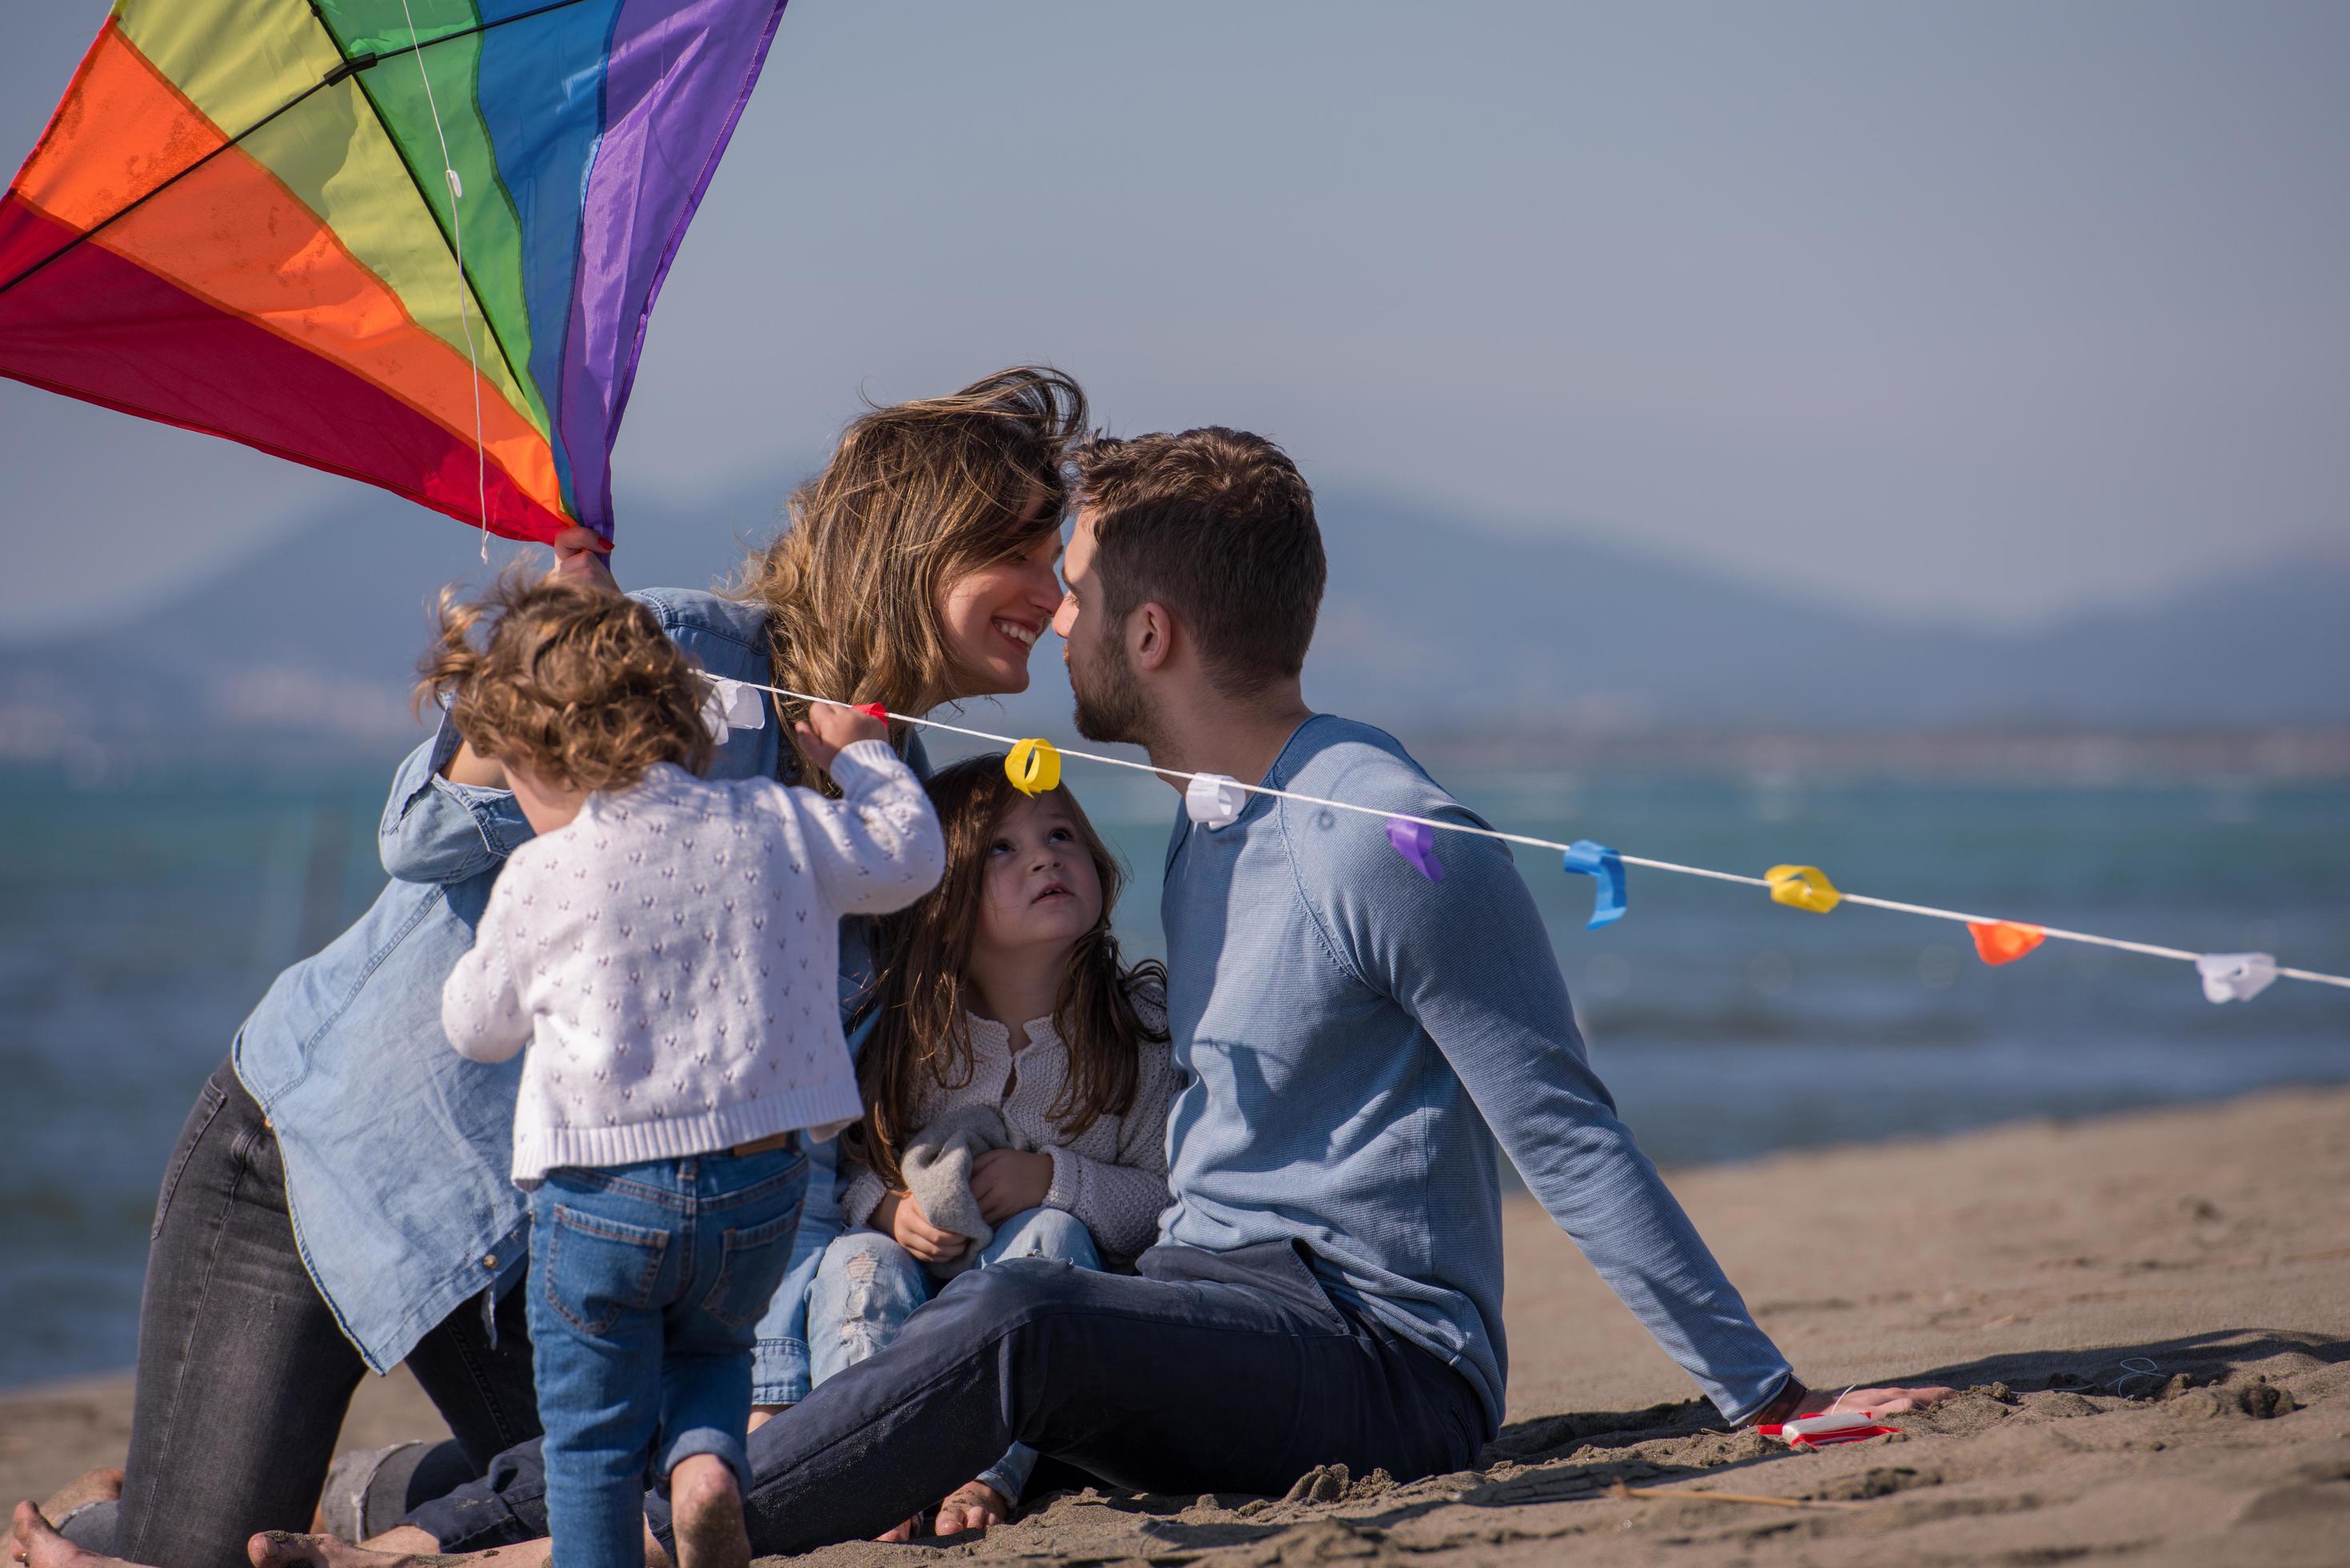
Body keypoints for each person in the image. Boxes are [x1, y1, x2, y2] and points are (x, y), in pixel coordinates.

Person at [158, 423, 1950, 1568]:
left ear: (1151, 636)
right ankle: (430, 1510)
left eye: (1076, 588)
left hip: (1379, 1347)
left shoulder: (1388, 831)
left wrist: (1764, 1394)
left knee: (1028, 1326)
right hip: (1213, 1290)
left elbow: (1557, 1122)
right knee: (899, 1322)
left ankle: (602, 1534)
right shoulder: (1201, 821)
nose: (1052, 619)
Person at [8, 367, 1088, 1568]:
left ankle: (311, 1501)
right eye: (1029, 557)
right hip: (321, 1163)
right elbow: (414, 836)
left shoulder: (888, 782)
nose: (1055, 597)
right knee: (187, 1558)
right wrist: (536, 665)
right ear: (918, 548)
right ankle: (130, 1525)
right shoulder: (675, 651)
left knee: (633, 1491)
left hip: (560, 1238)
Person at [425, 577, 947, 1568]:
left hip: (601, 1199)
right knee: (711, 1352)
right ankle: (707, 1469)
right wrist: (867, 755)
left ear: (537, 757)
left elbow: (476, 1029)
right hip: (761, 1188)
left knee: (593, 1445)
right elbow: (908, 859)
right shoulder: (774, 817)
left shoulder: (546, 870)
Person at [810, 755, 1179, 1538]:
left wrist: (1056, 1179)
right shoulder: (913, 1034)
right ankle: (866, 1468)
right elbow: (846, 1165)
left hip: (1055, 1356)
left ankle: (986, 1471)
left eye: (1059, 833)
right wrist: (885, 1209)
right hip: (919, 1314)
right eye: (1000, 849)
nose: (1045, 855)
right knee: (854, 1261)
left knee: (1054, 1234)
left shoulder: (1137, 1029)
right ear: (944, 900)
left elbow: (1165, 1202)